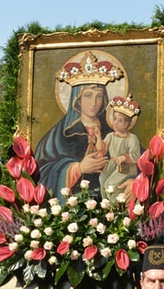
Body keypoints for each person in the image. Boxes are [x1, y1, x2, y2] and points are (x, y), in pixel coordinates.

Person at [34, 50, 119, 197]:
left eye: (99, 96)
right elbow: (41, 170)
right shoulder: (61, 134)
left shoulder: (113, 133)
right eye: (88, 95)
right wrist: (77, 169)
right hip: (72, 208)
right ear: (77, 99)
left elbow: (136, 164)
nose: (94, 103)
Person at [100, 94, 142, 202]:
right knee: (102, 179)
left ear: (127, 123)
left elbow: (136, 156)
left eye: (120, 121)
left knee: (111, 184)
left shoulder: (132, 138)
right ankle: (106, 205)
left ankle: (116, 207)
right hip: (112, 165)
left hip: (125, 168)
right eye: (114, 119)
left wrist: (123, 157)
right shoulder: (110, 136)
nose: (115, 123)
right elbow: (103, 149)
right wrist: (97, 137)